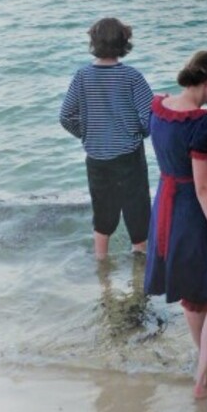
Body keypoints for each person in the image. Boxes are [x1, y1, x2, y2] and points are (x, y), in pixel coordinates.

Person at [144, 50, 207, 399]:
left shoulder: (158, 107)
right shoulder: (202, 122)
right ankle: (203, 380)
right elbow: (204, 188)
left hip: (165, 206)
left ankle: (203, 365)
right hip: (191, 210)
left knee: (190, 290)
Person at [60, 17, 153, 260]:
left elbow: (66, 116)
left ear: (94, 43)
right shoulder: (132, 77)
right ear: (125, 44)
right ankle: (139, 266)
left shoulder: (82, 76)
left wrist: (87, 133)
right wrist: (140, 133)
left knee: (102, 215)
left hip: (97, 158)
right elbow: (149, 117)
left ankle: (102, 271)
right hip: (129, 156)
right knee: (137, 213)